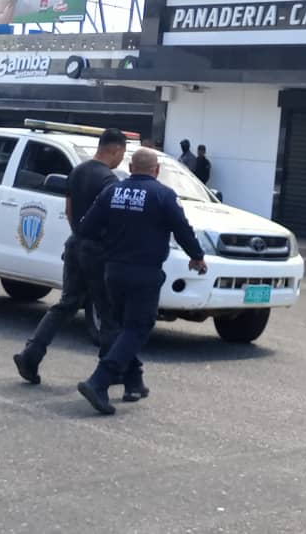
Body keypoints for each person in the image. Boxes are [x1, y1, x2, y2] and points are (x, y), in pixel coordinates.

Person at [76, 148, 207, 415]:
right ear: (156, 170)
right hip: (144, 272)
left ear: (131, 168)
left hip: (113, 271)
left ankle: (134, 383)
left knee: (125, 327)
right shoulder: (163, 195)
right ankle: (99, 381)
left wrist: (112, 242)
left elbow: (86, 227)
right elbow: (183, 229)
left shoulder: (112, 192)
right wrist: (197, 257)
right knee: (138, 328)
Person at [13, 129, 127, 384]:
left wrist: (78, 234)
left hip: (75, 243)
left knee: (65, 304)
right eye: (122, 154)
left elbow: (68, 209)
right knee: (108, 311)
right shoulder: (109, 181)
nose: (121, 160)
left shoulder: (77, 171)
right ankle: (106, 374)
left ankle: (30, 355)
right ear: (116, 150)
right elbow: (112, 220)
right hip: (98, 249)